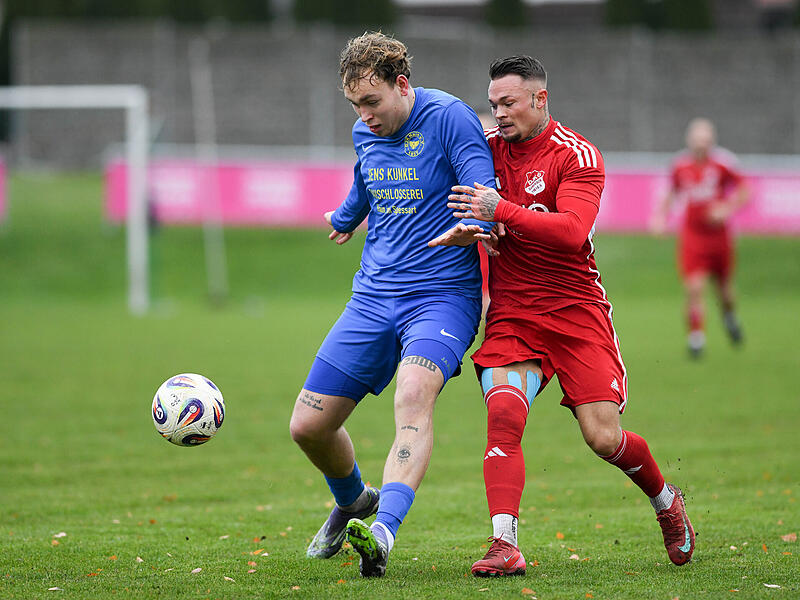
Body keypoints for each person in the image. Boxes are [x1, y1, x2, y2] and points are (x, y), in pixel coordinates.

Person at [429, 55, 695, 577]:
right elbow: (469, 208)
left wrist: (499, 212)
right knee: (504, 412)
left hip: (576, 313)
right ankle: (504, 543)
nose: (499, 113)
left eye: (508, 103)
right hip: (514, 313)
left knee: (603, 438)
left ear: (539, 99)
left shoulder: (577, 155)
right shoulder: (485, 154)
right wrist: (470, 227)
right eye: (493, 104)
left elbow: (573, 231)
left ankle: (667, 501)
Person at [289, 31, 496, 578]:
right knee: (308, 426)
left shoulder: (451, 118)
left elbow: (485, 191)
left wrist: (473, 224)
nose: (364, 116)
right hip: (374, 297)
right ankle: (356, 503)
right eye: (355, 105)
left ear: (402, 85)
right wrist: (346, 214)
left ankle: (382, 532)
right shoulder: (365, 130)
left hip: (442, 298)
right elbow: (368, 179)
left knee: (412, 396)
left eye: (372, 102)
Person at [651, 117, 749, 359]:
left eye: (705, 140)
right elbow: (671, 193)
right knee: (694, 287)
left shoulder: (722, 164)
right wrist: (660, 218)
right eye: (697, 140)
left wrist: (726, 208)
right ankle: (696, 339)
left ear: (711, 141)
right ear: (690, 141)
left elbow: (745, 189)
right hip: (693, 235)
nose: (701, 145)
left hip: (719, 236)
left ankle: (729, 317)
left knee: (724, 291)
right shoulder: (680, 166)